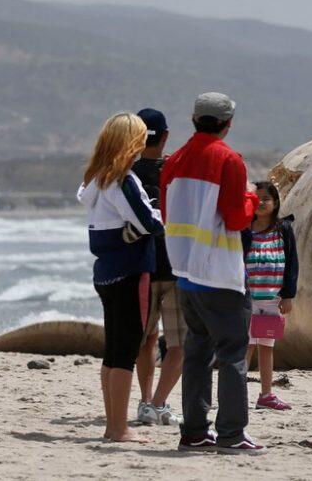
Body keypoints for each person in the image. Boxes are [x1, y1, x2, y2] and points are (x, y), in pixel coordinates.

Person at [161, 92, 265, 454]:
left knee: (197, 354)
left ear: (194, 119)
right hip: (220, 273)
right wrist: (252, 199)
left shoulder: (173, 160)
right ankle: (232, 434)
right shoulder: (229, 160)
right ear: (228, 123)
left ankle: (193, 431)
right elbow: (237, 217)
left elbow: (167, 213)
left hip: (185, 272)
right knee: (233, 354)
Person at [77, 112, 164, 444]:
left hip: (106, 273)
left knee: (114, 350)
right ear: (132, 141)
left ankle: (113, 425)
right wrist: (162, 217)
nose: (144, 142)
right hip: (130, 272)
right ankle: (118, 428)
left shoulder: (95, 180)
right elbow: (148, 223)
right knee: (126, 350)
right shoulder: (123, 180)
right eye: (140, 137)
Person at [131, 108, 186, 426]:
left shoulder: (125, 172)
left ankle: (144, 400)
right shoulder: (176, 171)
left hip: (142, 269)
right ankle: (159, 401)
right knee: (178, 343)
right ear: (165, 136)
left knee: (145, 339)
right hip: (177, 267)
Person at [243, 181, 299, 411]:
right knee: (246, 346)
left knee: (266, 346)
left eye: (267, 198)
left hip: (272, 298)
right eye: (258, 198)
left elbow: (292, 264)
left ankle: (266, 394)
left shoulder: (283, 229)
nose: (262, 202)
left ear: (276, 203)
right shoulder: (244, 228)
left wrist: (288, 296)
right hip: (247, 298)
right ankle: (236, 392)